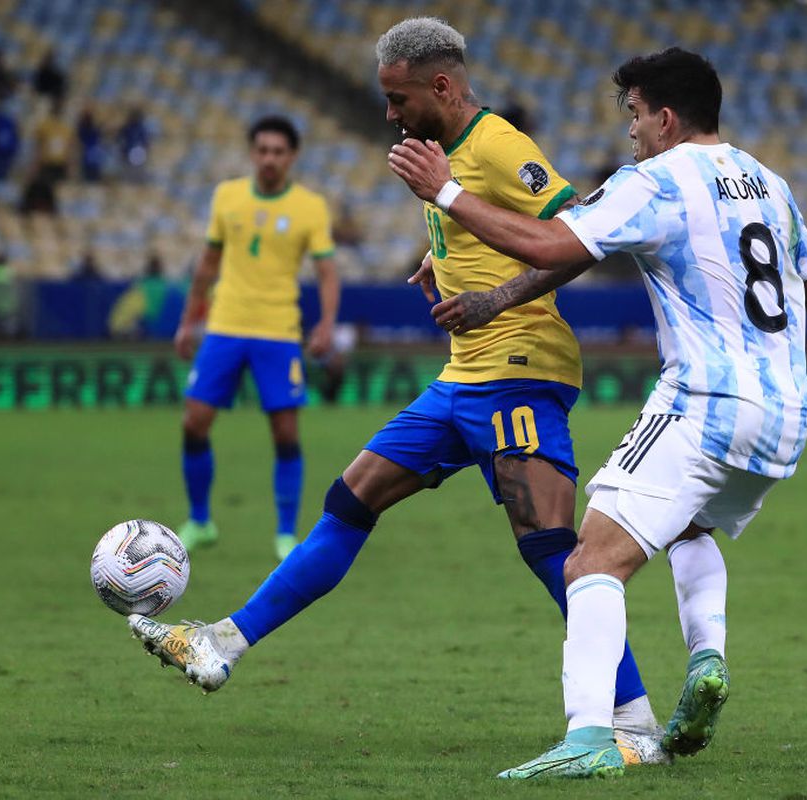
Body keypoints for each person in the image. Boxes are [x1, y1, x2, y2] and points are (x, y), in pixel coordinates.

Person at [129, 18, 670, 768]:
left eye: (398, 98)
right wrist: (439, 256)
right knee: (352, 498)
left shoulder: (498, 146)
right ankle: (221, 642)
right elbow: (479, 224)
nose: (390, 113)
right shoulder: (441, 152)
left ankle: (635, 720)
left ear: (441, 87)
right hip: (464, 377)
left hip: (519, 366)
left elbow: (578, 235)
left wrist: (495, 298)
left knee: (553, 549)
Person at [388, 46, 807, 779]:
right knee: (690, 524)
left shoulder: (654, 181)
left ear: (663, 117)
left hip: (707, 401)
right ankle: (707, 660)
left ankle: (591, 737)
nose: (629, 132)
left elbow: (555, 242)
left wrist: (449, 194)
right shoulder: (770, 184)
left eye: (632, 116)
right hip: (788, 412)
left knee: (591, 557)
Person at [170, 115, 340, 561]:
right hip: (224, 325)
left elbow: (326, 272)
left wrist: (325, 324)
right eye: (262, 150)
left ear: (292, 157)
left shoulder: (310, 207)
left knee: (285, 432)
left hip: (278, 331)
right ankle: (200, 521)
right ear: (252, 153)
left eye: (278, 152)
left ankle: (285, 532)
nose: (269, 159)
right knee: (194, 422)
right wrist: (189, 321)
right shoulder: (226, 196)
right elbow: (207, 265)